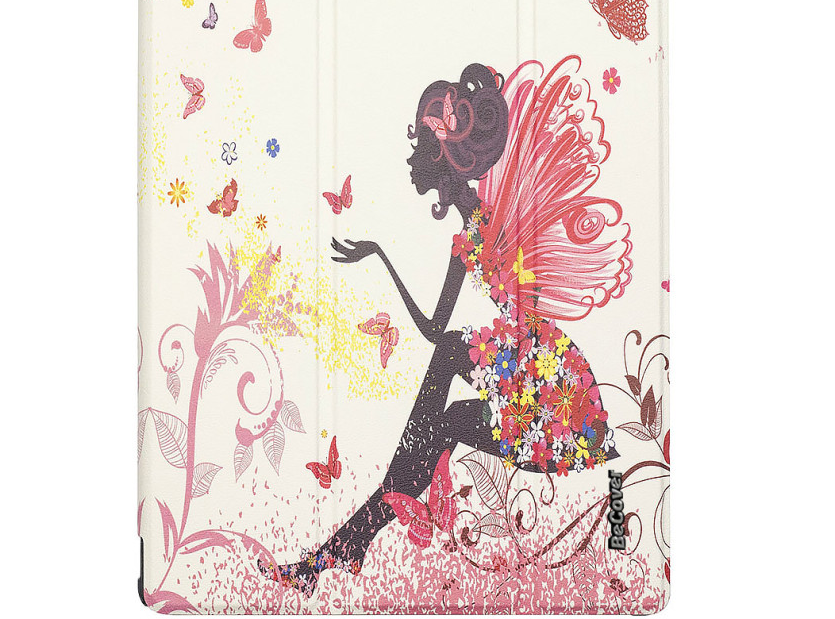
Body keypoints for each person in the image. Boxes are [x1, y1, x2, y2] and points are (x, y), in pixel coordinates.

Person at [262, 58, 632, 594]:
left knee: (447, 400)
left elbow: (516, 307)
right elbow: (436, 329)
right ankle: (350, 542)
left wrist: (384, 258)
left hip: (552, 399)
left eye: (420, 147)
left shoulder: (493, 223)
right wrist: (381, 257)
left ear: (444, 158)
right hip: (519, 370)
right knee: (449, 361)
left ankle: (347, 544)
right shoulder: (468, 236)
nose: (412, 160)